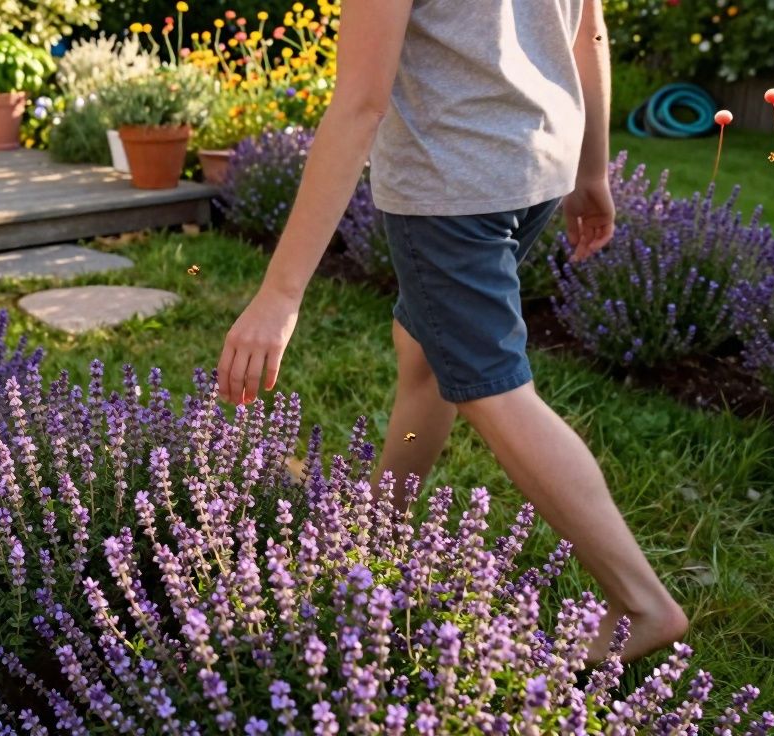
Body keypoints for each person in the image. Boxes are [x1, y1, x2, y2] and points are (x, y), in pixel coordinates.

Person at [215, 0, 687, 662]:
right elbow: (590, 33)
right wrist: (589, 170)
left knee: (492, 387)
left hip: (452, 190)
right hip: (536, 166)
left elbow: (359, 103)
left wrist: (281, 293)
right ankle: (384, 529)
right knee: (428, 353)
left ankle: (642, 603)